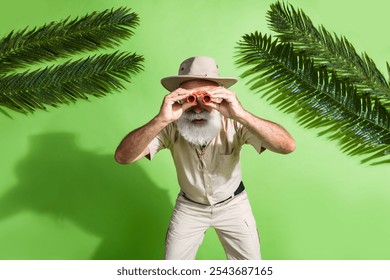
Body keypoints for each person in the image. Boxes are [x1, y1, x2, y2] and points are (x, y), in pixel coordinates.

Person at [114, 56, 296, 260]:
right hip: (190, 207)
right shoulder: (170, 125)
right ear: (179, 97)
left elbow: (287, 146)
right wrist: (161, 119)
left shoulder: (234, 122)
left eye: (206, 97)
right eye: (190, 98)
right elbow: (123, 157)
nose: (198, 107)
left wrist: (241, 114)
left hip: (233, 205)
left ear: (219, 96)